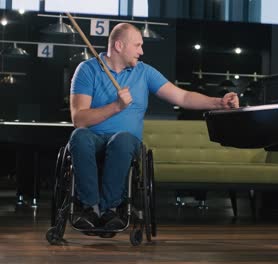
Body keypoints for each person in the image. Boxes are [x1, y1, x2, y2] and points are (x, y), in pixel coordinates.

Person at [69, 23, 239, 230]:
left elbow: (182, 96)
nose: (142, 51)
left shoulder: (144, 72)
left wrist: (219, 103)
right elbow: (79, 119)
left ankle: (110, 210)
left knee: (121, 139)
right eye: (138, 45)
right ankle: (89, 209)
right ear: (119, 45)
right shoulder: (87, 70)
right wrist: (116, 106)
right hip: (93, 139)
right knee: (79, 136)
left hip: (126, 142)